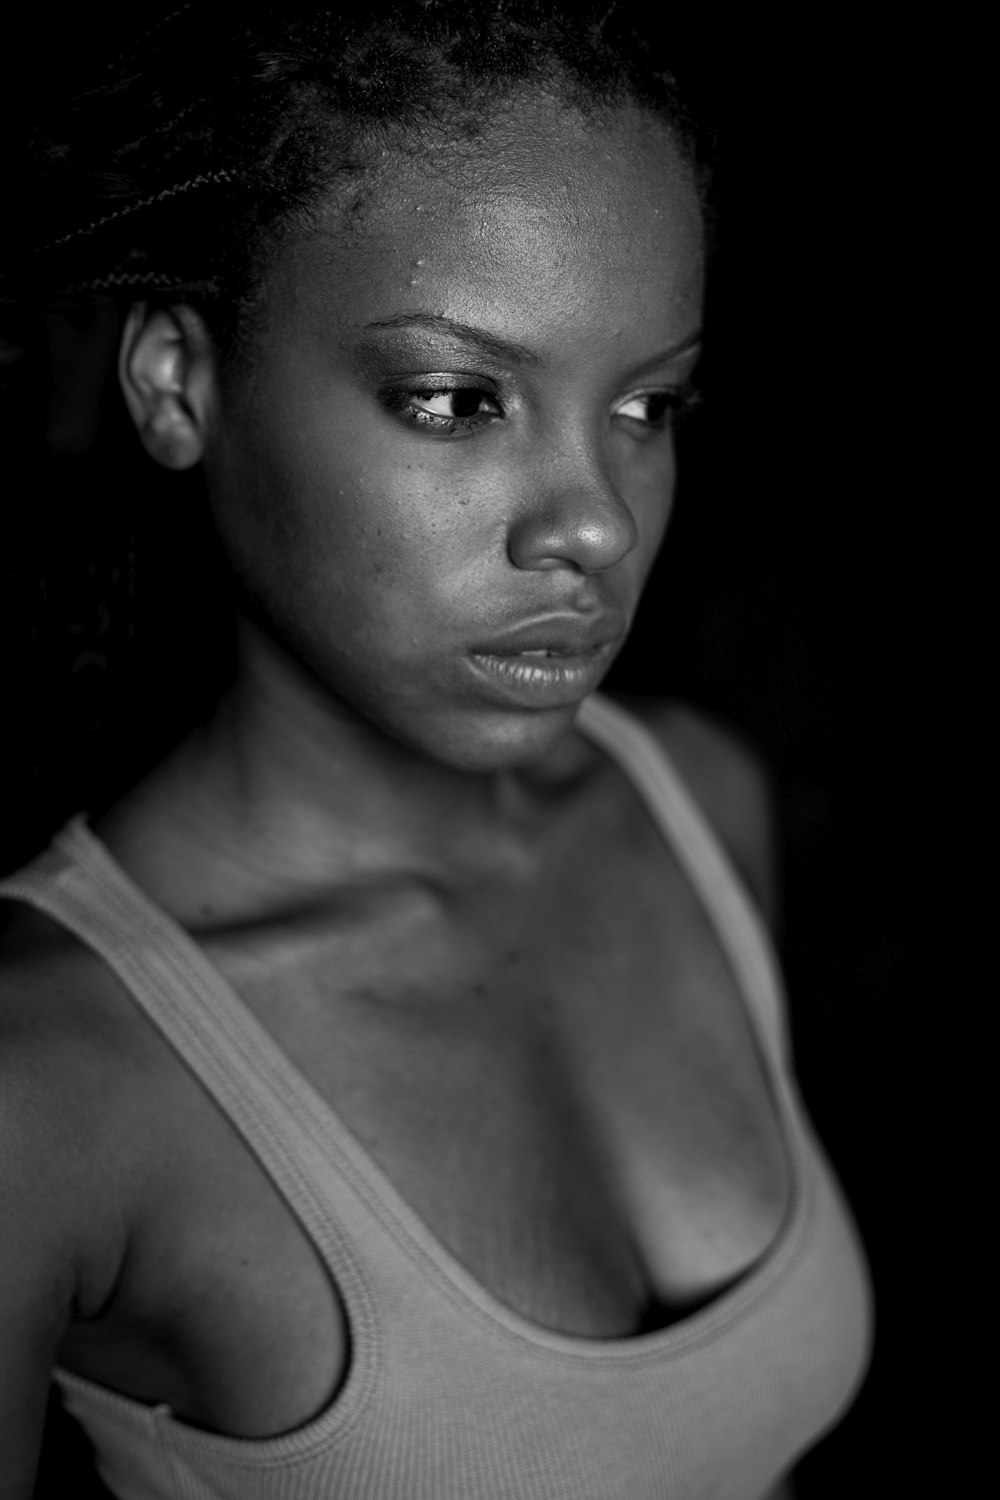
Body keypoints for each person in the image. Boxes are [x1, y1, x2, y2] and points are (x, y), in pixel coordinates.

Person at [0, 4, 873, 1496]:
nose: (594, 524)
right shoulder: (49, 1089)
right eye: (459, 401)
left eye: (649, 405)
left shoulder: (693, 807)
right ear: (178, 385)